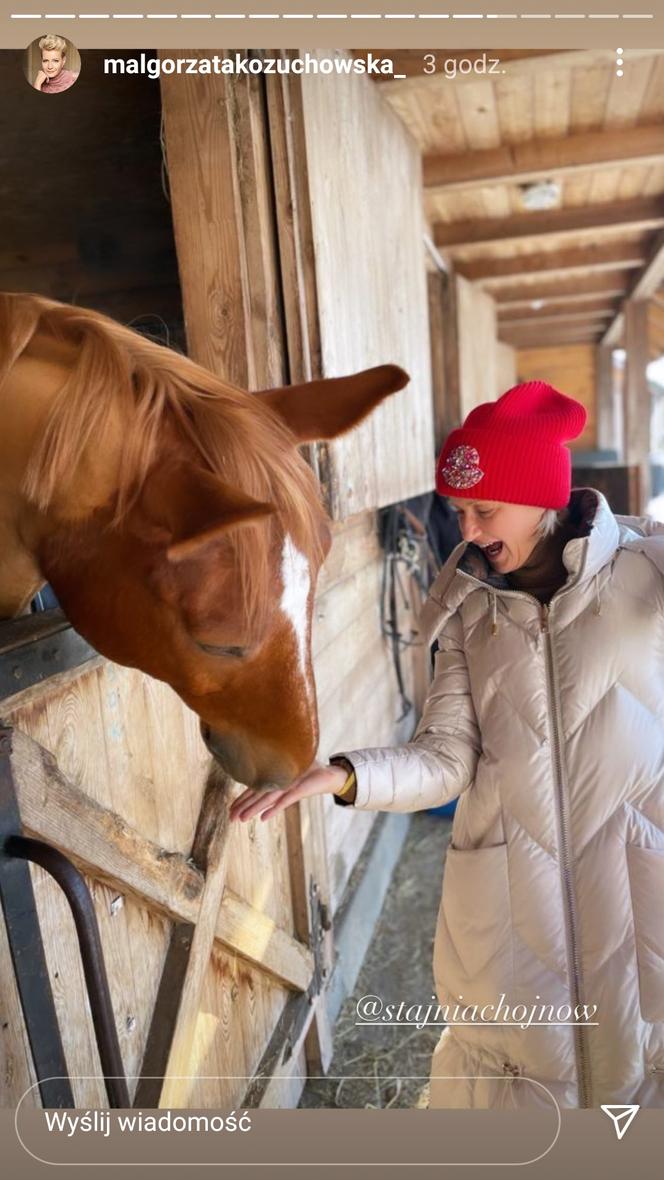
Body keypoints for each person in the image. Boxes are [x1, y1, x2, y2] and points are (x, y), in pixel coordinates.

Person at [229, 379, 664, 1111]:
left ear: (540, 497)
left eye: (483, 508)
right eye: (459, 510)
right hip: (514, 915)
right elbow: (445, 757)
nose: (467, 528)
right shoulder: (471, 612)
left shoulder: (648, 576)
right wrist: (341, 777)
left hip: (637, 888)